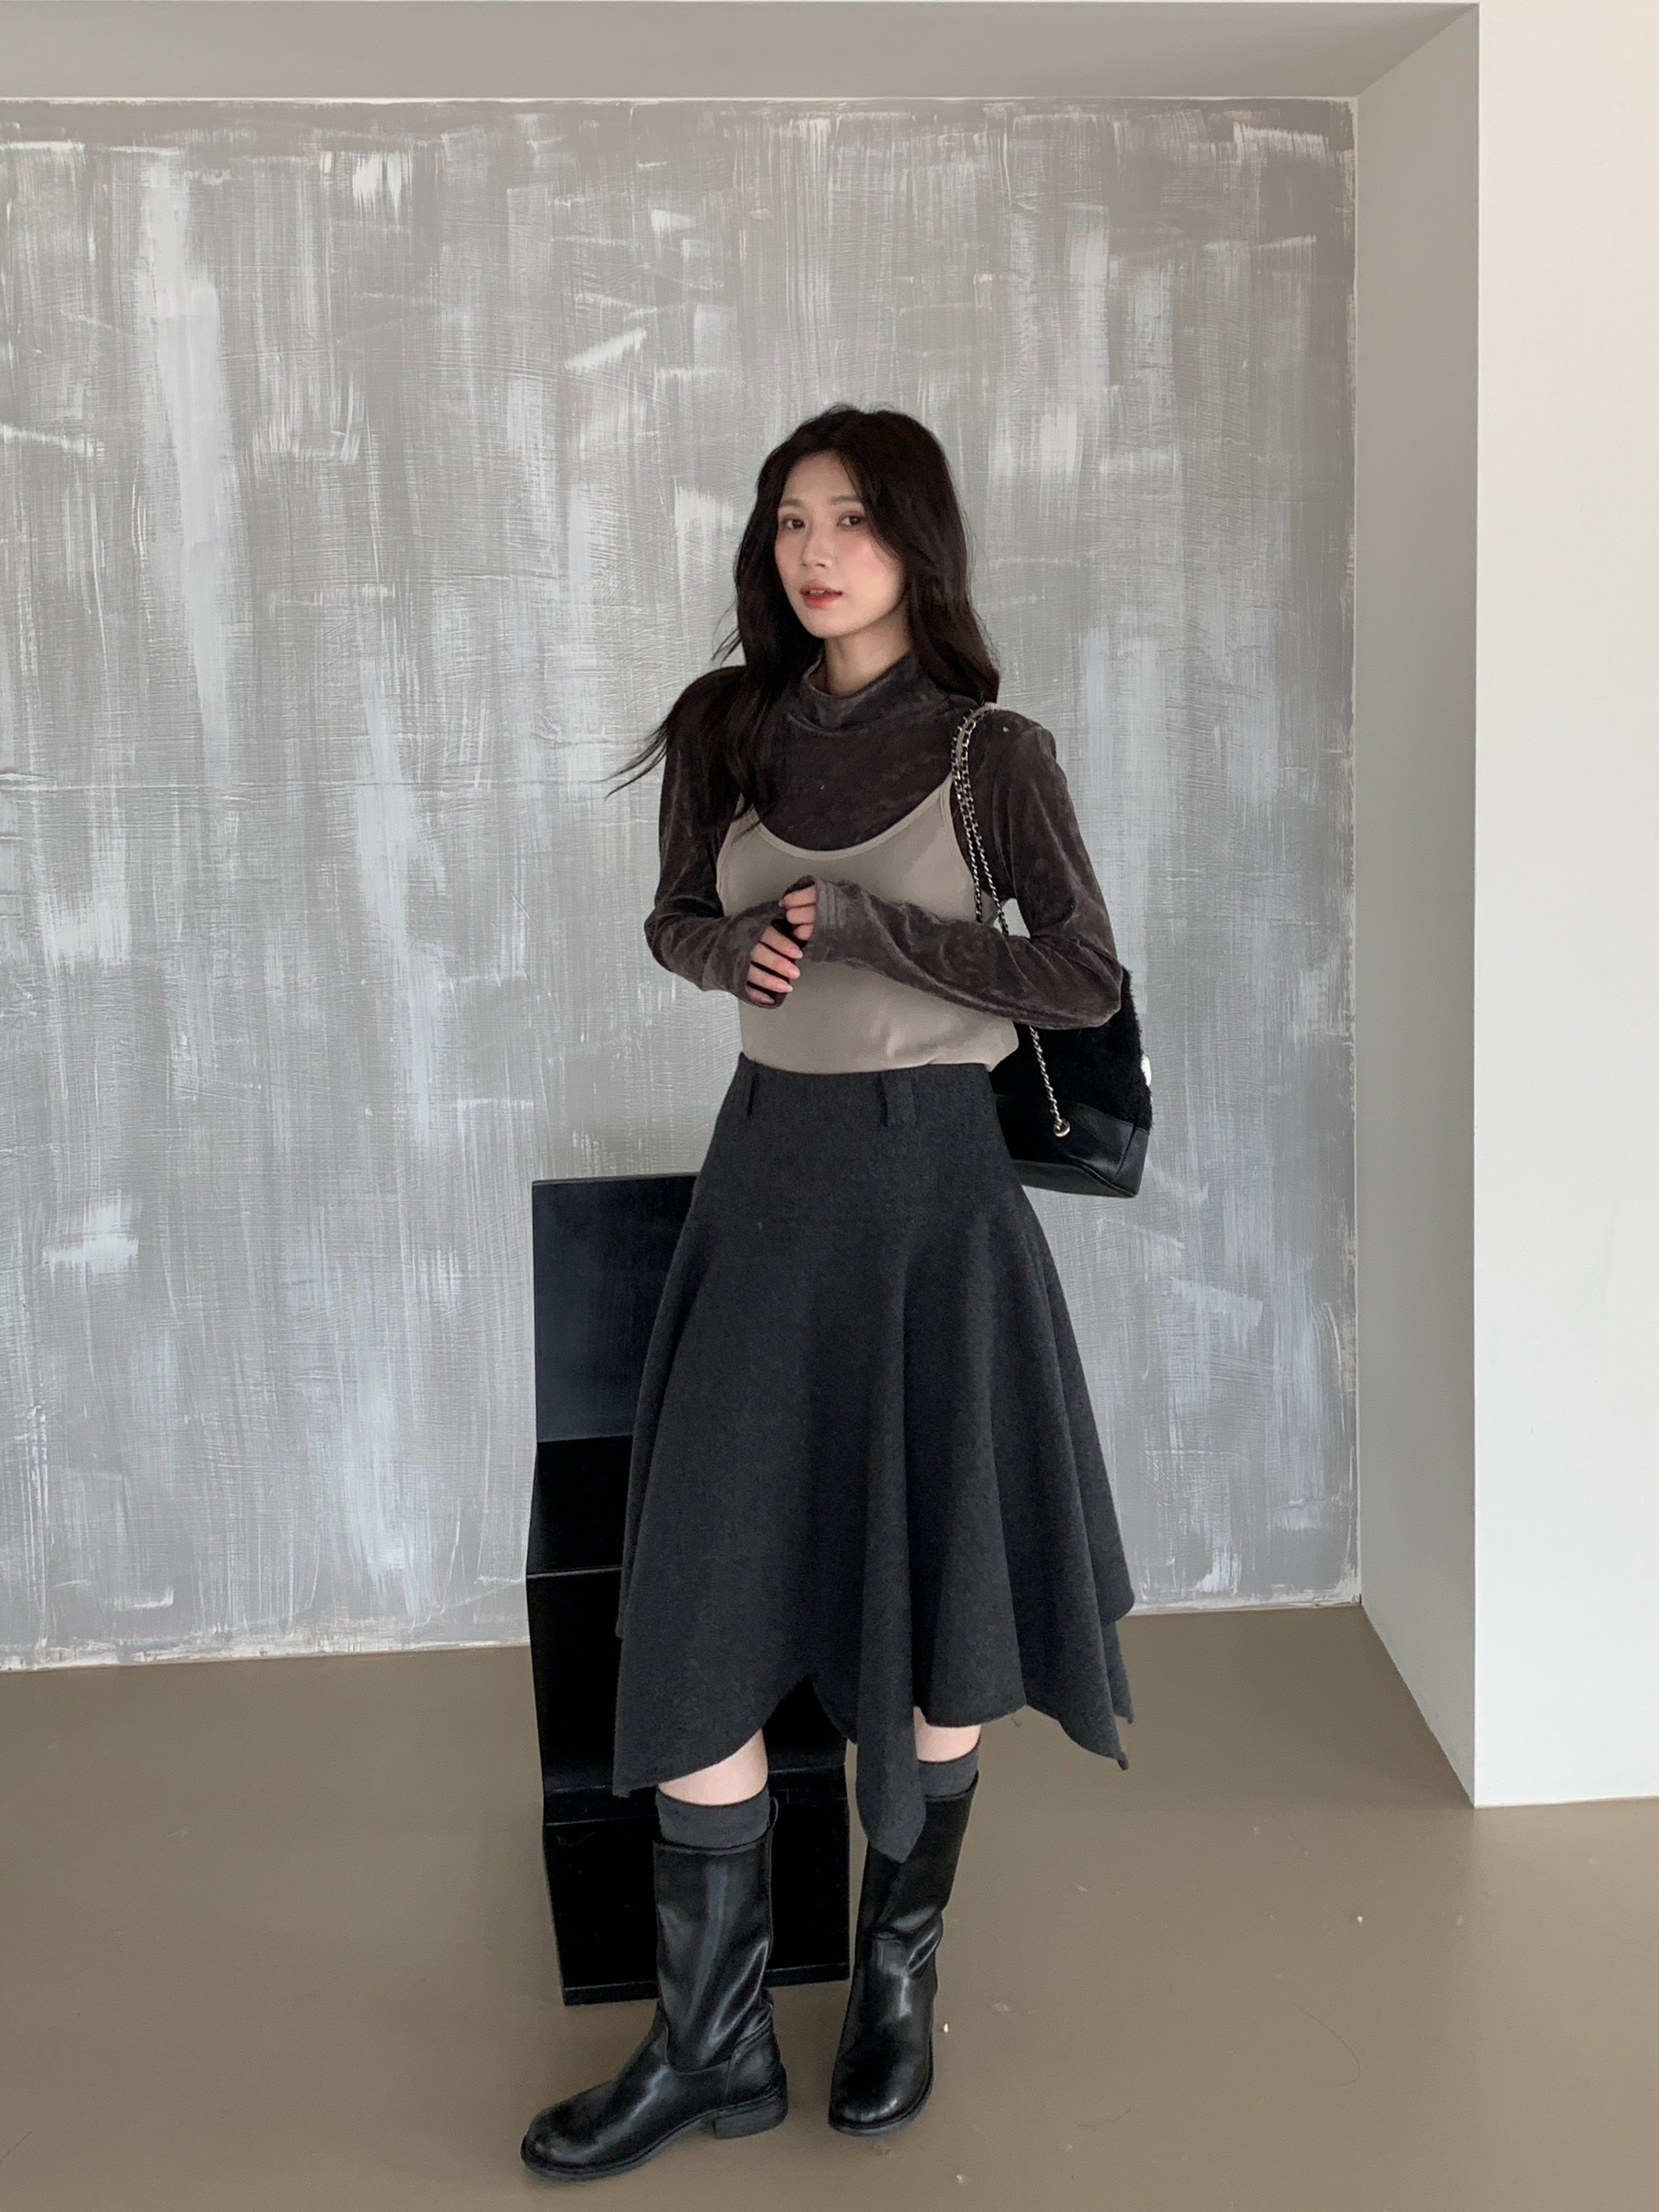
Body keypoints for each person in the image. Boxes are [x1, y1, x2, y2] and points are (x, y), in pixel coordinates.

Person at [520, 405, 1136, 2183]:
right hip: (767, 1190)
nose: (815, 550)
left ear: (915, 543)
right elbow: (676, 921)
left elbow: (1082, 976)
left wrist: (872, 931)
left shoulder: (992, 753)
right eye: (792, 518)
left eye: (852, 518)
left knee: (935, 1579)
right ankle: (709, 2043)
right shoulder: (730, 724)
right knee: (702, 1584)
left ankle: (894, 1979)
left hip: (935, 1205)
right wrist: (741, 946)